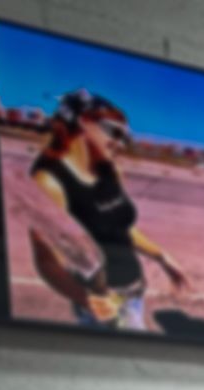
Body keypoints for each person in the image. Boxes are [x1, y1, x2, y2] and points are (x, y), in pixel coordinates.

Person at [27, 90, 189, 330]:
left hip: (134, 294)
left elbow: (122, 230)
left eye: (125, 136)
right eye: (114, 131)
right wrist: (87, 299)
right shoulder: (48, 180)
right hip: (103, 305)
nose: (121, 142)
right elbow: (47, 260)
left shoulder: (109, 170)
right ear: (84, 122)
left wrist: (161, 257)